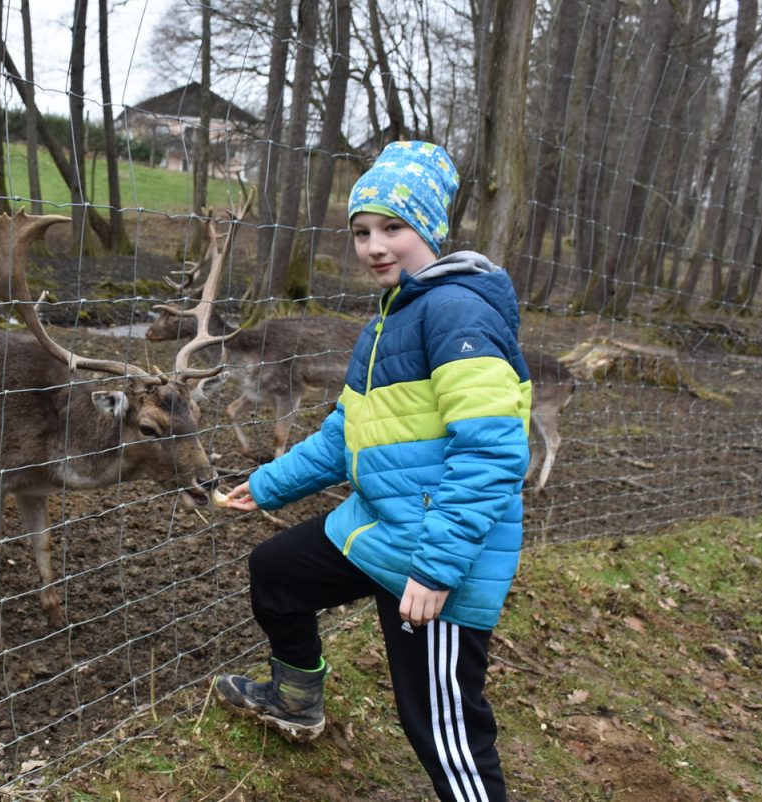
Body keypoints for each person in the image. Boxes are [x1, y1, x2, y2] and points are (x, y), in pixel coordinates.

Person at [215, 140, 530, 802]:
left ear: (430, 229)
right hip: (383, 528)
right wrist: (267, 484)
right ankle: (296, 702)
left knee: (443, 733)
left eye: (394, 227)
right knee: (277, 573)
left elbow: (493, 451)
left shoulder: (456, 313)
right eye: (362, 231)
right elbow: (344, 435)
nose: (375, 245)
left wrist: (439, 568)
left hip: (434, 559)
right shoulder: (393, 316)